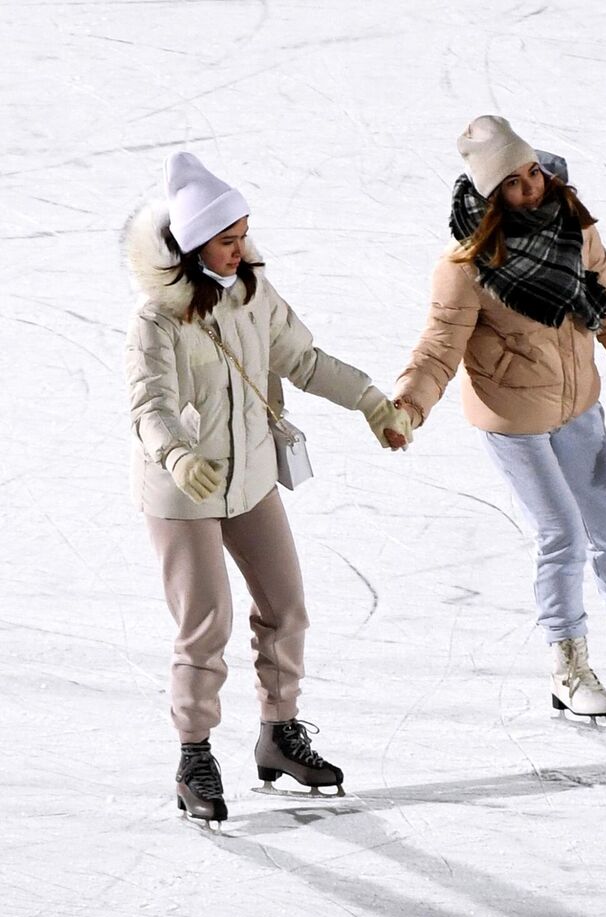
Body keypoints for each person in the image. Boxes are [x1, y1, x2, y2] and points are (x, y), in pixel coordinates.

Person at [125, 152, 414, 825]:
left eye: (244, 234)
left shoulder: (254, 294)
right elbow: (150, 405)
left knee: (286, 606)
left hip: (250, 476)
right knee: (206, 627)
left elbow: (304, 360)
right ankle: (194, 753)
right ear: (195, 244)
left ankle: (278, 733)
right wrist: (175, 458)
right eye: (228, 240)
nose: (241, 248)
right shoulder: (156, 320)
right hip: (183, 492)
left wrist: (371, 400)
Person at [393, 116, 606, 724]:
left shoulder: (574, 228)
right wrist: (408, 405)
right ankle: (568, 661)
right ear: (491, 194)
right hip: (513, 418)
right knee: (561, 532)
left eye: (532, 171)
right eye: (513, 181)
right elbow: (436, 350)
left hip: (578, 404)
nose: (531, 187)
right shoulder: (466, 268)